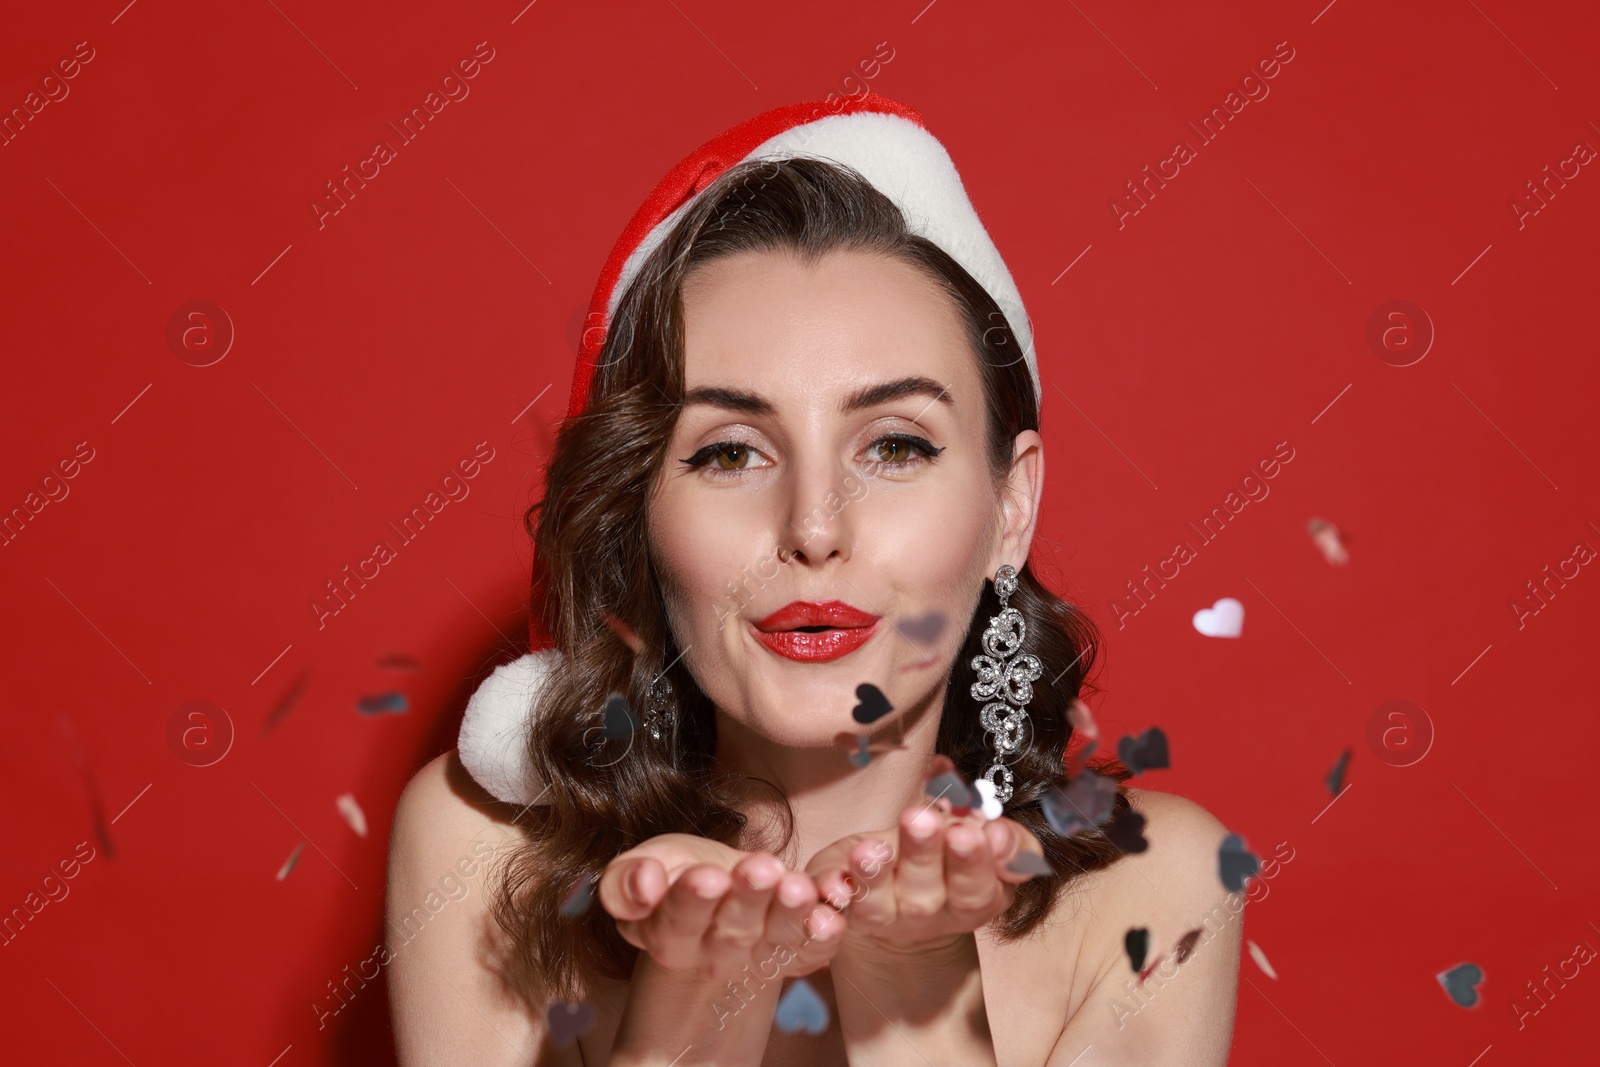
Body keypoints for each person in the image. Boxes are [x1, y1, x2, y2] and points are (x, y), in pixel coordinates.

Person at [387, 97, 1241, 1066]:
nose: (813, 527)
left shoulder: (1155, 881)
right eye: (729, 453)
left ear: (1010, 504)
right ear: (637, 516)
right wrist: (694, 1005)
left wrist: (917, 988)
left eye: (893, 443)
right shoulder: (488, 852)